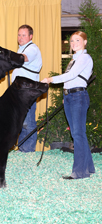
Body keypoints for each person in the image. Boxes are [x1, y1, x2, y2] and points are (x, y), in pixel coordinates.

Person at [42, 31, 95, 180]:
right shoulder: (73, 60)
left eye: (77, 40)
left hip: (78, 96)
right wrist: (65, 95)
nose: (74, 43)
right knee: (77, 134)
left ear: (85, 42)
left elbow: (71, 76)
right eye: (71, 41)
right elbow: (69, 79)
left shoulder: (85, 58)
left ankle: (79, 172)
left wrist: (51, 79)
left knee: (77, 134)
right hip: (70, 96)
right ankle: (89, 168)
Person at [12, 25, 42, 152]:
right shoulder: (21, 49)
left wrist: (7, 58)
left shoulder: (32, 49)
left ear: (31, 36)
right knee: (21, 121)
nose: (20, 37)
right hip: (19, 92)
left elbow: (24, 58)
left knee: (28, 122)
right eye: (19, 35)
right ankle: (22, 149)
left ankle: (28, 151)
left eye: (24, 35)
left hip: (27, 92)